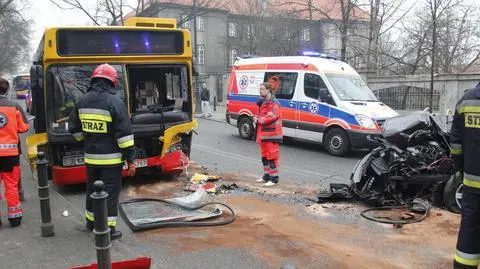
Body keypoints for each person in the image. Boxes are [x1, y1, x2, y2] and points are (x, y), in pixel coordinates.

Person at [68, 64, 136, 240]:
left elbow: (74, 129)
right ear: (112, 82)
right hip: (111, 161)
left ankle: (91, 223)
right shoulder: (115, 103)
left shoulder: (82, 101)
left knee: (92, 190)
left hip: (91, 159)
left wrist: (87, 139)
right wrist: (131, 160)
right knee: (110, 194)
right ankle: (108, 230)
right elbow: (125, 137)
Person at [450, 82, 480, 269]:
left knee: (469, 229)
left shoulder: (465, 101)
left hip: (472, 184)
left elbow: (456, 145)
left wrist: (463, 169)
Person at [0, 77, 29, 227]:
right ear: (7, 90)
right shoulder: (14, 106)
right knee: (11, 186)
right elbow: (24, 128)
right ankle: (15, 218)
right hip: (10, 155)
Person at [253, 81, 282, 187]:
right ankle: (267, 175)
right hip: (264, 134)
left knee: (272, 157)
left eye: (262, 89)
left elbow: (272, 115)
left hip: (272, 134)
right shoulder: (265, 102)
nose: (260, 91)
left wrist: (259, 120)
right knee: (265, 156)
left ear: (268, 90)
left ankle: (274, 178)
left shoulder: (274, 103)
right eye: (260, 89)